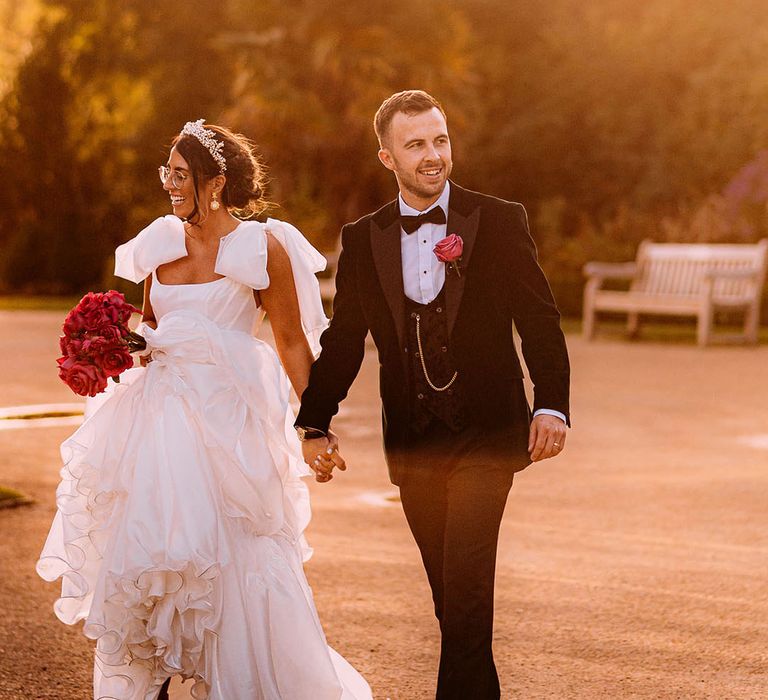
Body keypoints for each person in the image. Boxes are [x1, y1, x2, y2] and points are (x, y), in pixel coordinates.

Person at [37, 120, 371, 700]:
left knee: (235, 556)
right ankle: (156, 681)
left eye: (182, 175)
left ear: (216, 182)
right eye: (167, 172)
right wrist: (117, 343)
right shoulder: (159, 241)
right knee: (151, 552)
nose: (170, 184)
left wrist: (314, 425)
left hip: (227, 420)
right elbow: (154, 326)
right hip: (157, 414)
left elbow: (291, 340)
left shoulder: (260, 246)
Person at [296, 90, 571, 699]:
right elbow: (344, 342)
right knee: (453, 603)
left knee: (468, 592)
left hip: (487, 435)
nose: (432, 155)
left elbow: (539, 318)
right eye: (415, 144)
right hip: (414, 442)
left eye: (440, 140)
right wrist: (314, 421)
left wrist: (551, 402)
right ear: (387, 157)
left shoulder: (497, 221)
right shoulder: (364, 239)